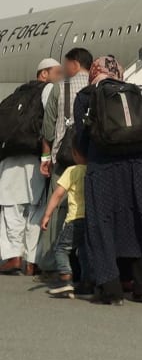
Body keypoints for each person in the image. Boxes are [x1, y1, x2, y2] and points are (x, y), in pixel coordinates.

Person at [74, 56, 142, 305]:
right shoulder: (135, 92)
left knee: (102, 224)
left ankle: (110, 288)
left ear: (95, 71)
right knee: (135, 223)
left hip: (103, 168)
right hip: (138, 168)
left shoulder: (87, 95)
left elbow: (81, 140)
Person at [0, 58, 62, 275]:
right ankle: (31, 261)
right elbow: (50, 123)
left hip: (10, 158)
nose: (60, 76)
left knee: (11, 209)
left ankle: (12, 257)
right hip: (36, 157)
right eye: (56, 72)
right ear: (43, 74)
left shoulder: (16, 94)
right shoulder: (48, 91)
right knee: (36, 210)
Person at [37, 48, 92, 277]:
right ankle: (83, 264)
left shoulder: (60, 88)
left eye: (66, 64)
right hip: (91, 160)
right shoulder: (97, 88)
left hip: (64, 159)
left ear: (75, 64)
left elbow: (48, 128)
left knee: (59, 208)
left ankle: (52, 263)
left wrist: (45, 158)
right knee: (86, 210)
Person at [40, 157, 89, 297]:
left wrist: (47, 215)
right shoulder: (93, 170)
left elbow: (58, 194)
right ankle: (87, 282)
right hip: (91, 219)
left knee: (61, 249)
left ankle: (65, 279)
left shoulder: (72, 170)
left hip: (75, 219)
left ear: (75, 153)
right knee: (84, 252)